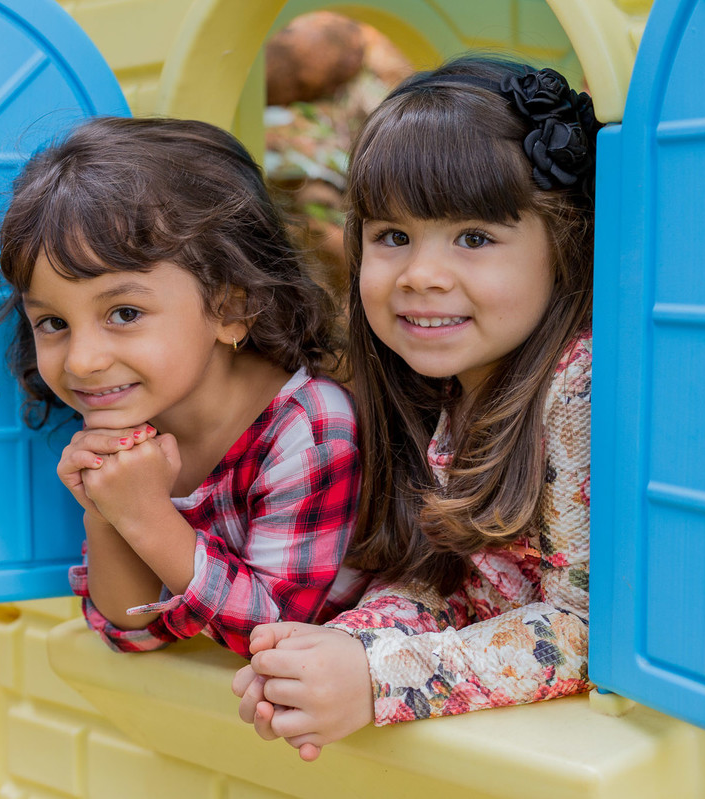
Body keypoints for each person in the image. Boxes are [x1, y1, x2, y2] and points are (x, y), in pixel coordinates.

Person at [232, 55, 600, 760]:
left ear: (563, 244)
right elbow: (460, 588)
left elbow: (583, 629)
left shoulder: (575, 390)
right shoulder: (450, 387)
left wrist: (379, 676)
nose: (421, 275)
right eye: (393, 237)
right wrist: (337, 648)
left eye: (474, 238)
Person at [0, 116, 364, 658]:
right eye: (53, 323)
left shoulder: (311, 429)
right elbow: (129, 629)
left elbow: (277, 634)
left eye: (124, 312)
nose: (84, 360)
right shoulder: (132, 409)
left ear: (231, 309)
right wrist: (107, 508)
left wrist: (144, 514)